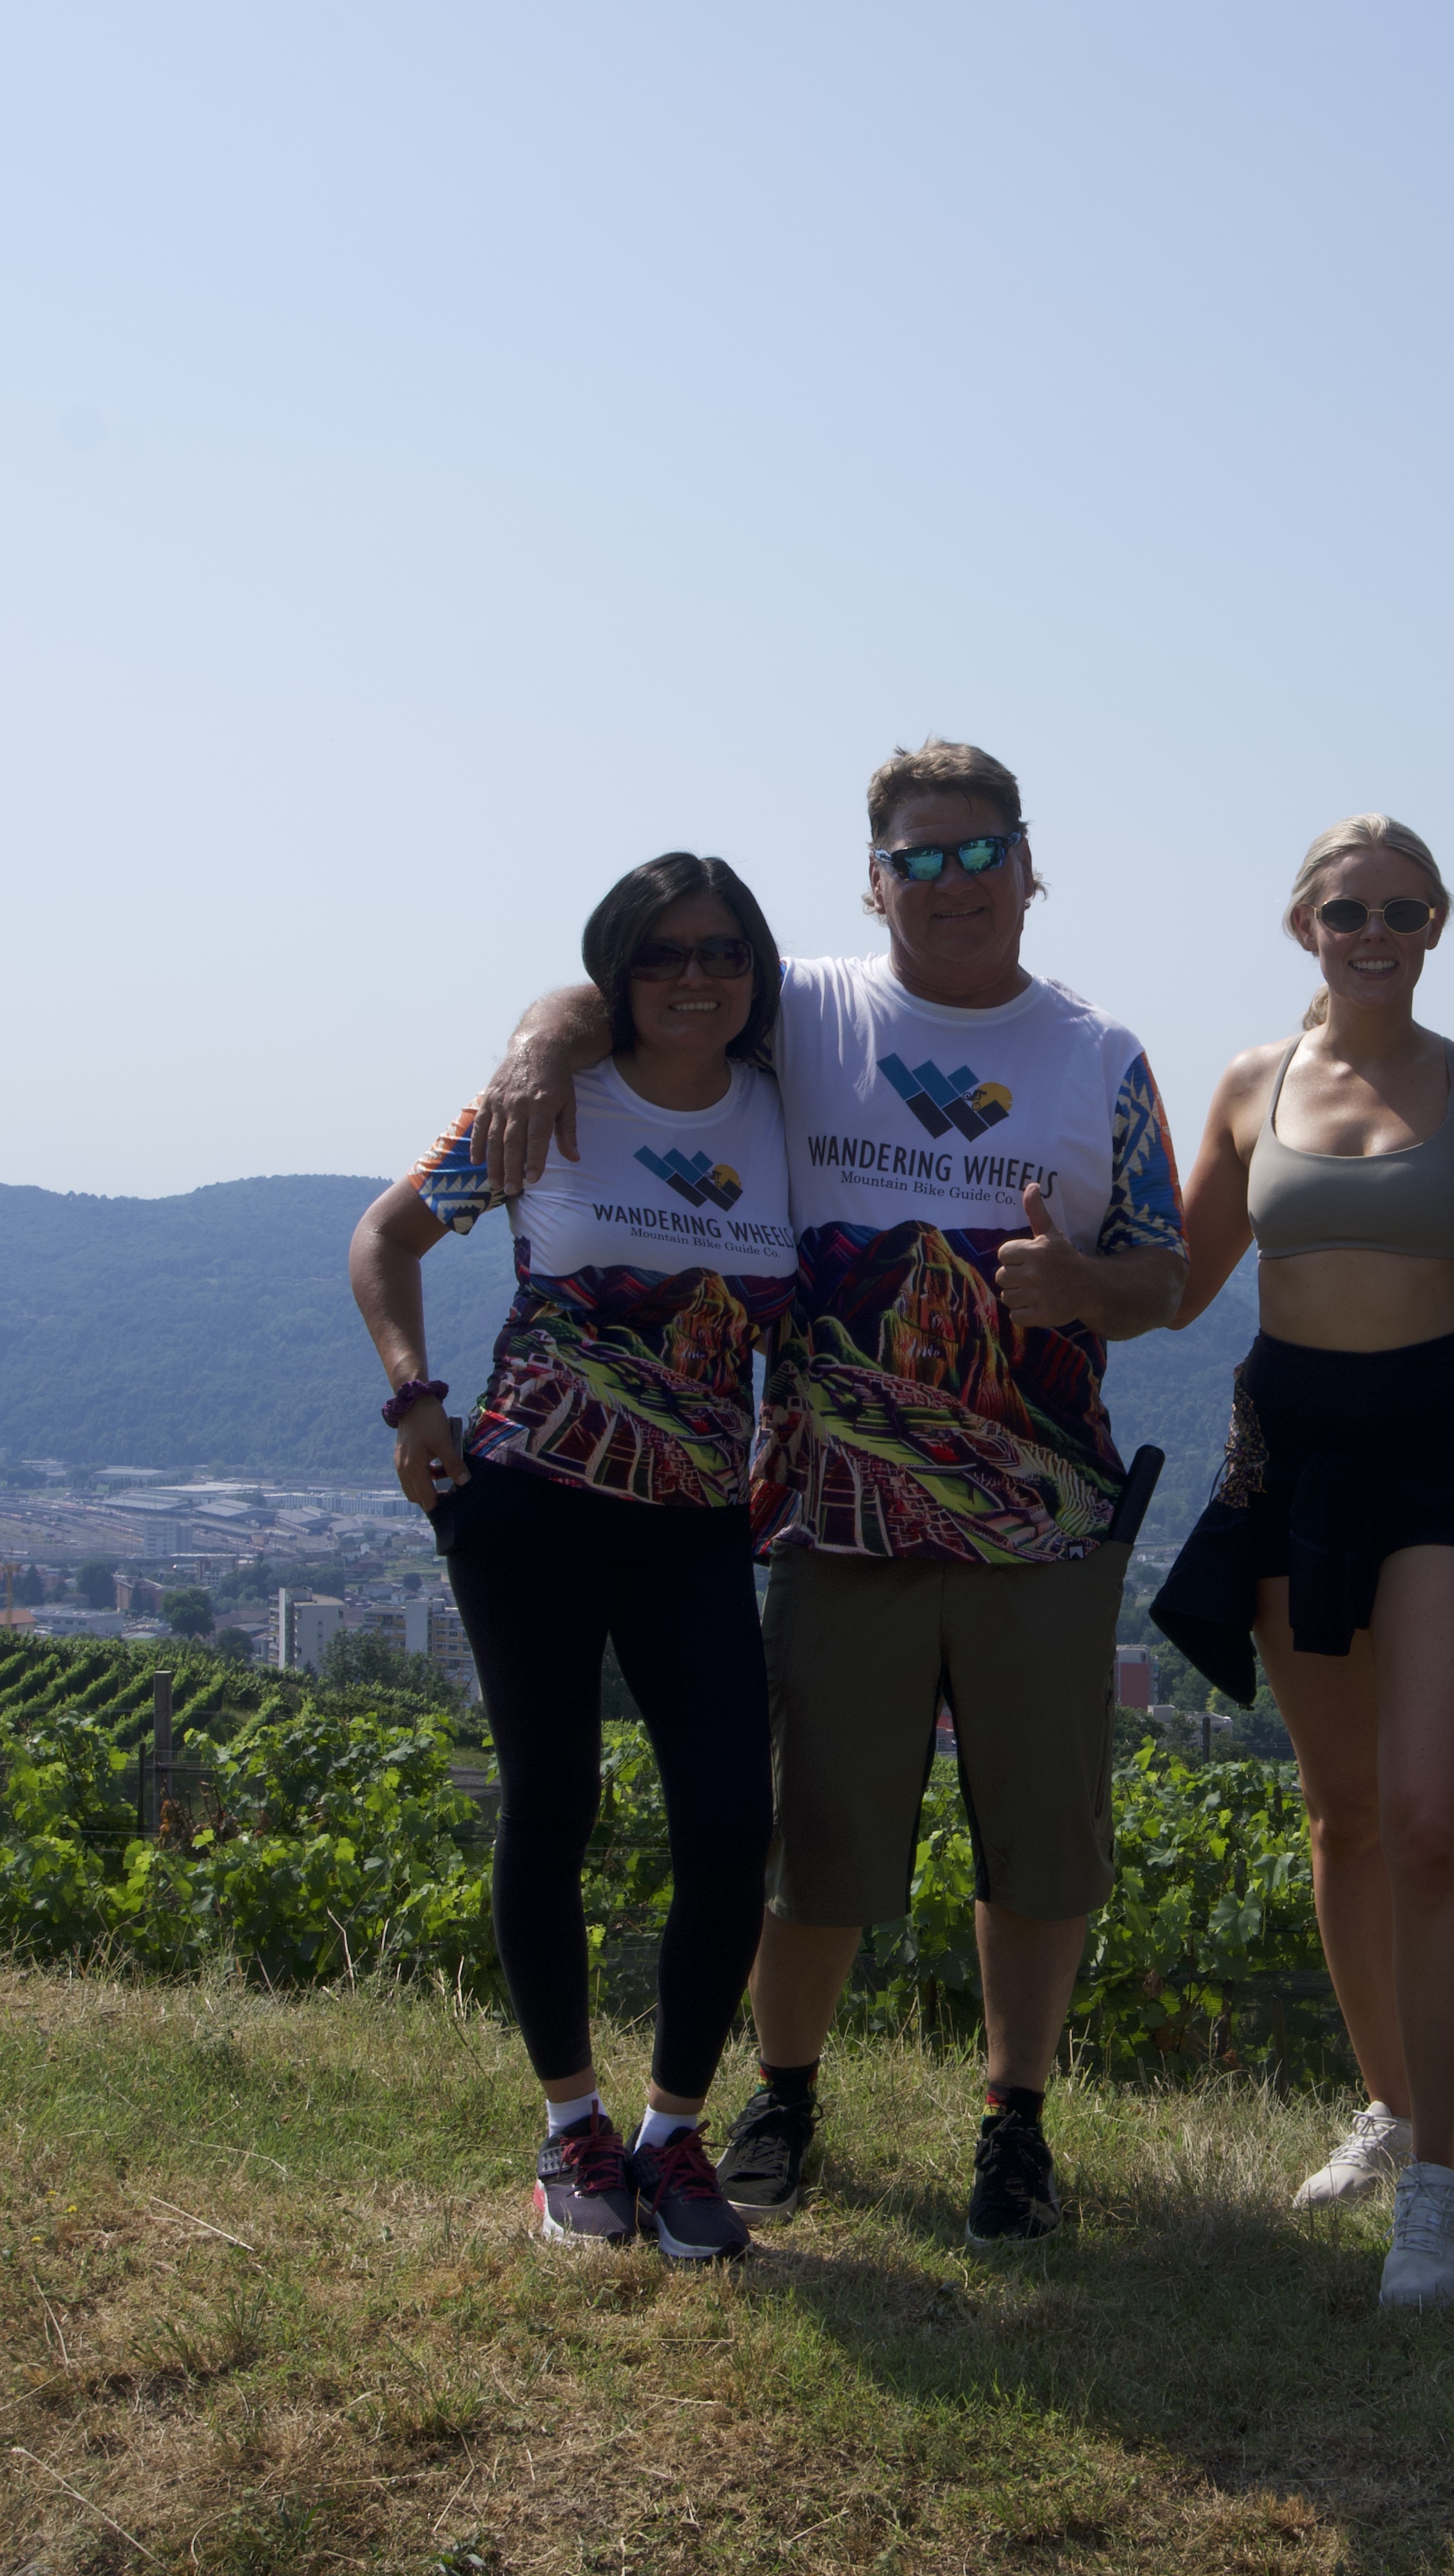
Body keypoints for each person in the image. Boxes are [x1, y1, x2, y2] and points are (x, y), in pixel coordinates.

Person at [466, 739, 1187, 2246]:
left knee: (1037, 1843)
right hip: (829, 1507)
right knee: (814, 1832)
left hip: (1042, 1517)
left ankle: (1016, 2123)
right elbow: (647, 984)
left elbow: (1170, 1271)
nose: (952, 880)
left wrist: (1088, 1285)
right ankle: (783, 2095)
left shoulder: (1103, 1056)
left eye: (980, 848)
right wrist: (542, 1037)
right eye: (917, 857)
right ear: (873, 880)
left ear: (1030, 861)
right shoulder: (809, 1012)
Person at [345, 853, 794, 2263]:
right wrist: (414, 1394)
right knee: (553, 1800)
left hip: (698, 1518)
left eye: (721, 949)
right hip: (531, 1494)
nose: (693, 974)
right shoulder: (551, 1100)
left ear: (753, 968)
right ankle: (569, 2126)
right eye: (659, 952)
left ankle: (671, 2132)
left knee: (731, 1819)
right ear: (617, 971)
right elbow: (383, 1235)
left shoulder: (788, 1112)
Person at [1150, 815, 1454, 2306]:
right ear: (1303, 924)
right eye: (1345, 909)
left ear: (1438, 924)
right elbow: (1180, 1288)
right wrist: (1045, 1263)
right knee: (1344, 1815)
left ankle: (1438, 2185)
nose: (1373, 931)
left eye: (1403, 908)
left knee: (1434, 1818)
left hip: (1442, 1448)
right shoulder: (1252, 1083)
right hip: (1288, 1451)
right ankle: (1388, 2106)